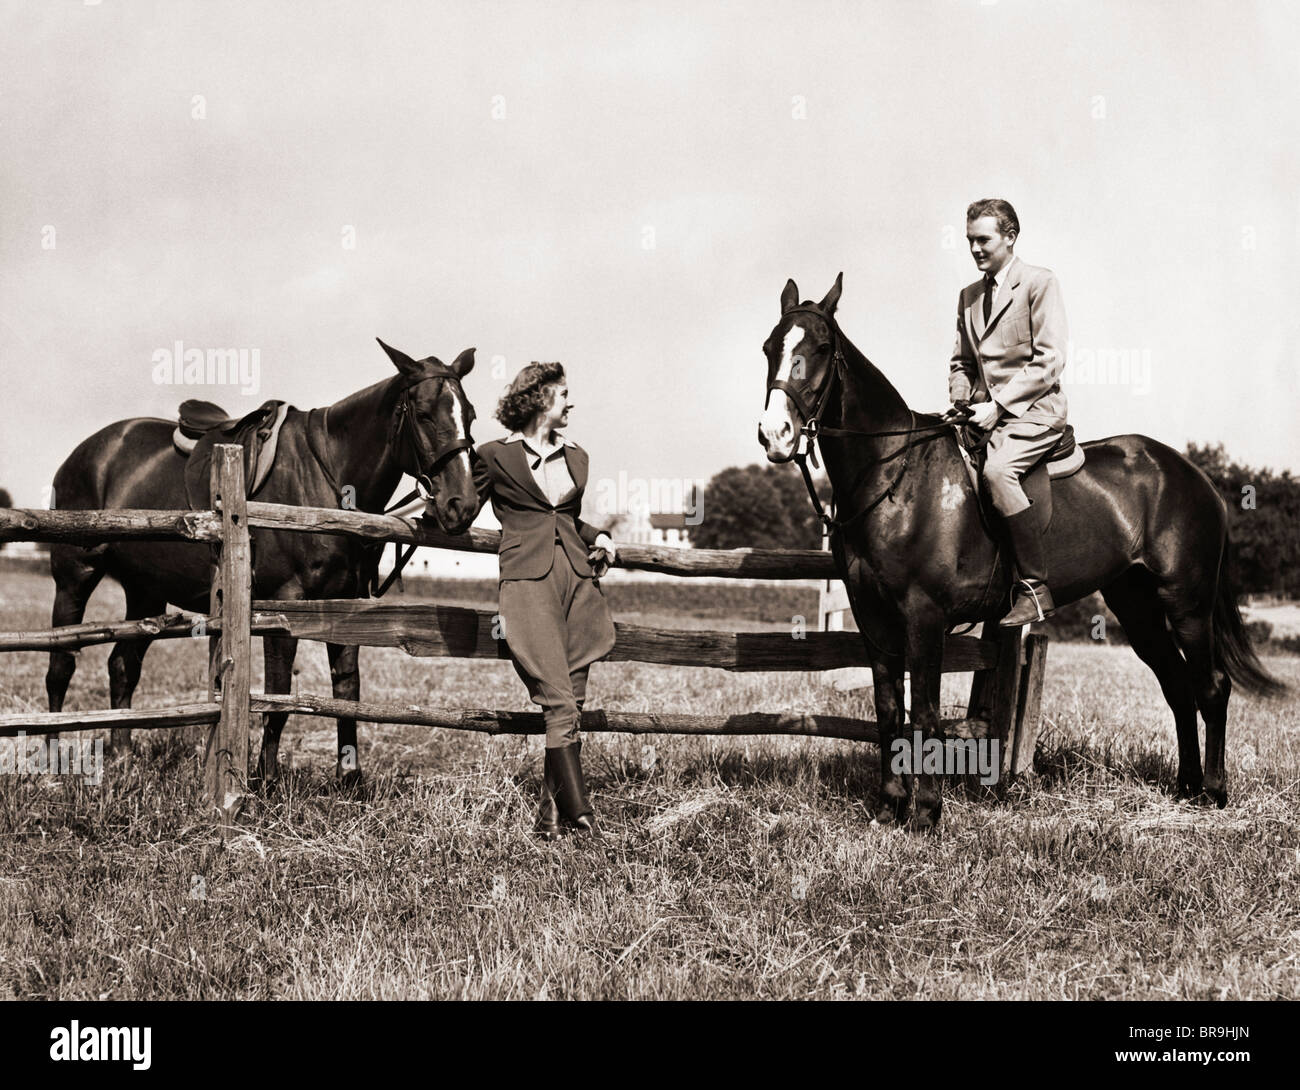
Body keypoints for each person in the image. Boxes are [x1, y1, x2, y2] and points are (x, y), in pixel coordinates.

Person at [466, 362, 617, 837]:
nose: (571, 403)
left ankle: (549, 817)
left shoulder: (578, 457)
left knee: (571, 699)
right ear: (537, 399)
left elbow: (566, 519)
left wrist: (603, 535)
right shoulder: (494, 456)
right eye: (563, 394)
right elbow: (460, 507)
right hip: (527, 583)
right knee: (559, 702)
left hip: (577, 581)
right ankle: (583, 816)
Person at [949, 197, 1069, 625]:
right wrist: (963, 401)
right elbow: (961, 362)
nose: (975, 249)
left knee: (997, 473)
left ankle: (1034, 589)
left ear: (1010, 237)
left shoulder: (1039, 283)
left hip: (1036, 413)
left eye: (983, 240)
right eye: (970, 241)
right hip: (982, 415)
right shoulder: (967, 297)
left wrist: (998, 405)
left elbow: (1050, 359)